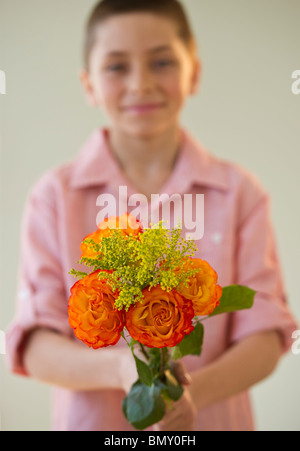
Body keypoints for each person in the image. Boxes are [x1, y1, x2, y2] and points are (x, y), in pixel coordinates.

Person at [5, 0, 298, 431]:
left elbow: (267, 332)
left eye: (162, 62)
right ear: (88, 84)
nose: (141, 83)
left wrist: (190, 393)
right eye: (116, 67)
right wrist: (122, 370)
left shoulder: (241, 193)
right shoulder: (54, 196)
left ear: (193, 72)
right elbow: (33, 344)